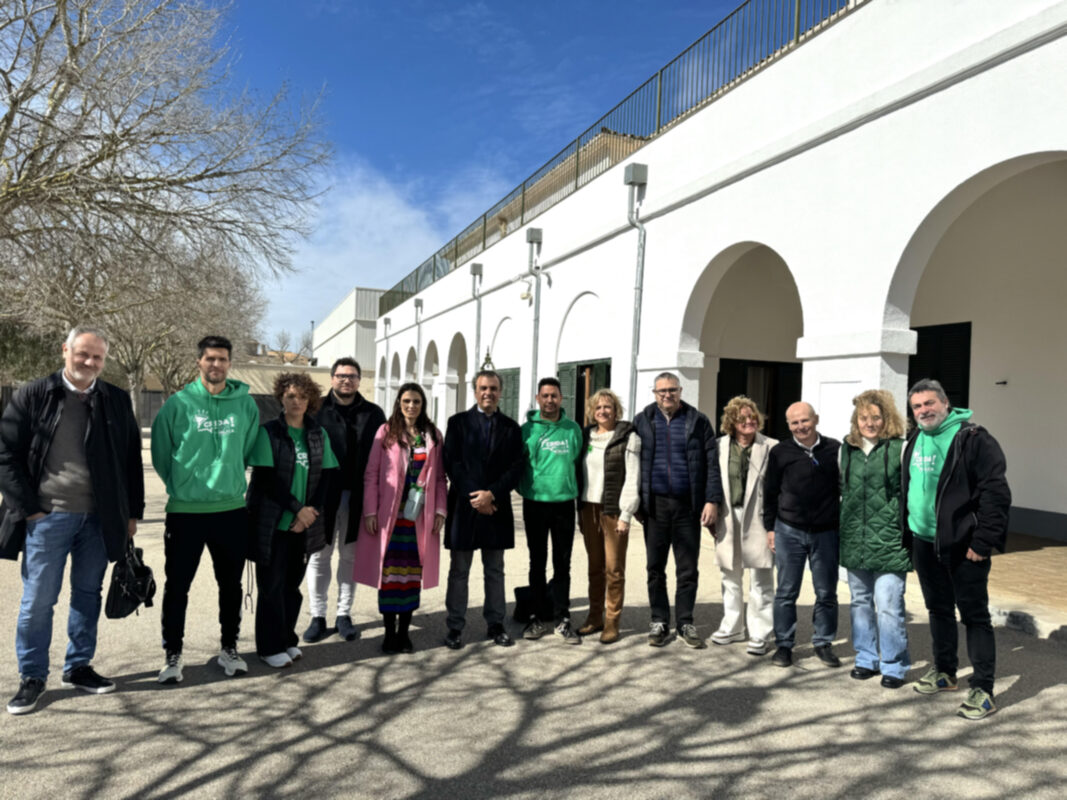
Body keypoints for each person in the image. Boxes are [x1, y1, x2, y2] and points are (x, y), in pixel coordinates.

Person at [0, 326, 144, 715]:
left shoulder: (113, 399)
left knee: (87, 595)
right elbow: (5, 455)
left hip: (99, 520)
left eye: (97, 357)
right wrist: (29, 508)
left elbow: (131, 459)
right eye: (83, 354)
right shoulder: (33, 394)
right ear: (66, 350)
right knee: (37, 601)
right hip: (47, 518)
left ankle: (78, 666)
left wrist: (132, 513)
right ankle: (32, 676)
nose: (89, 363)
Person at [151, 335, 260, 684]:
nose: (217, 365)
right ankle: (173, 654)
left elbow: (247, 450)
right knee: (177, 586)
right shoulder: (178, 404)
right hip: (185, 511)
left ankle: (229, 648)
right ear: (199, 362)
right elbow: (161, 454)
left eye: (223, 359)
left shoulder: (246, 405)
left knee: (229, 585)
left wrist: (226, 479)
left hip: (230, 510)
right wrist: (183, 486)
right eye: (210, 359)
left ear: (230, 363)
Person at [903, 378, 1010, 720]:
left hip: (964, 546)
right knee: (938, 610)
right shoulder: (916, 437)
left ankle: (983, 688)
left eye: (929, 403)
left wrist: (983, 542)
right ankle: (945, 672)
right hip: (924, 540)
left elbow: (996, 494)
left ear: (946, 403)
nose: (923, 410)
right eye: (917, 406)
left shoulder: (973, 438)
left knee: (974, 615)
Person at [246, 373, 338, 667]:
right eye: (289, 396)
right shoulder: (269, 432)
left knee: (291, 587)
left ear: (310, 400)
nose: (295, 401)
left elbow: (327, 477)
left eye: (301, 396)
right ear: (280, 399)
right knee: (271, 586)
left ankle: (287, 639)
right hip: (273, 522)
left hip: (303, 524)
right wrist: (297, 508)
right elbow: (266, 479)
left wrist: (310, 513)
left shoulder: (317, 433)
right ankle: (269, 647)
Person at [632, 372, 722, 648]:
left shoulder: (698, 421)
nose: (667, 395)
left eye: (672, 390)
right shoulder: (643, 420)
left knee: (687, 568)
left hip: (687, 506)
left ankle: (685, 621)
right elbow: (631, 463)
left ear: (680, 391)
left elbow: (711, 463)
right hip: (656, 506)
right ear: (654, 393)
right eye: (661, 391)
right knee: (655, 567)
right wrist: (634, 501)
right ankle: (659, 621)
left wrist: (712, 500)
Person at [357, 382, 447, 654]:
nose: (411, 406)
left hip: (418, 518)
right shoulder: (386, 433)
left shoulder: (432, 435)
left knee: (410, 576)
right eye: (406, 401)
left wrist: (441, 510)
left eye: (416, 401)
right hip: (390, 517)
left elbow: (440, 477)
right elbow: (372, 474)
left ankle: (404, 633)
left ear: (423, 405)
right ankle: (388, 633)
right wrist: (370, 511)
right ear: (398, 402)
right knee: (388, 576)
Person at [442, 369, 524, 650]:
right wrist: (477, 497)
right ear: (474, 391)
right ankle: (455, 626)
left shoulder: (512, 428)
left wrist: (492, 495)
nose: (488, 393)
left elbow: (516, 468)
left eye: (493, 388)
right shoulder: (457, 423)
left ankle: (496, 623)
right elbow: (452, 463)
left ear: (500, 392)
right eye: (482, 388)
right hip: (465, 508)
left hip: (496, 507)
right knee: (459, 571)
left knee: (495, 569)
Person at [305, 357, 385, 643]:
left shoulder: (374, 414)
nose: (346, 380)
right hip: (323, 495)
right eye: (340, 376)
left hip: (358, 496)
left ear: (359, 380)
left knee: (350, 556)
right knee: (319, 555)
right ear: (332, 378)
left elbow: (384, 458)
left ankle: (343, 614)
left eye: (351, 376)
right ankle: (317, 615)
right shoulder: (314, 410)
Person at [839, 389, 911, 689]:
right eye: (864, 417)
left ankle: (894, 664)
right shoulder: (846, 449)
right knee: (860, 602)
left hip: (891, 540)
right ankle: (866, 658)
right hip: (855, 539)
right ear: (857, 420)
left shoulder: (901, 448)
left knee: (890, 605)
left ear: (887, 418)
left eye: (876, 417)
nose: (869, 423)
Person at [764, 402, 841, 669]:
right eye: (794, 423)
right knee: (786, 592)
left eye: (805, 421)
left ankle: (823, 643)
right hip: (789, 530)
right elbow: (770, 492)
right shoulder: (780, 452)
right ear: (788, 425)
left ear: (816, 419)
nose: (800, 427)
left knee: (826, 592)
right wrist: (770, 528)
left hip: (826, 532)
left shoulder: (835, 450)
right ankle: (784, 645)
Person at [518, 377, 584, 644]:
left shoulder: (572, 429)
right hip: (535, 503)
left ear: (561, 398)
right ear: (537, 399)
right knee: (537, 562)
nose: (549, 400)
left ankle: (562, 617)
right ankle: (535, 617)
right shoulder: (527, 430)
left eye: (554, 396)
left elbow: (578, 461)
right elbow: (518, 463)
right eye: (544, 396)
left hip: (563, 504)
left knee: (562, 564)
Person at [710, 396, 777, 656]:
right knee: (730, 574)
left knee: (761, 577)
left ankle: (760, 633)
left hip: (760, 518)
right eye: (742, 418)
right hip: (729, 515)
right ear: (732, 422)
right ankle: (733, 626)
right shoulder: (719, 446)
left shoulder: (771, 446)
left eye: (752, 417)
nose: (748, 422)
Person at [576, 388, 640, 644]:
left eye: (608, 407)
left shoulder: (628, 437)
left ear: (616, 411)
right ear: (592, 411)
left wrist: (627, 513)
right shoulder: (585, 436)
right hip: (588, 508)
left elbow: (633, 478)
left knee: (614, 569)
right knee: (595, 567)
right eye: (598, 407)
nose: (603, 411)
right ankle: (594, 617)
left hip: (613, 510)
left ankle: (612, 622)